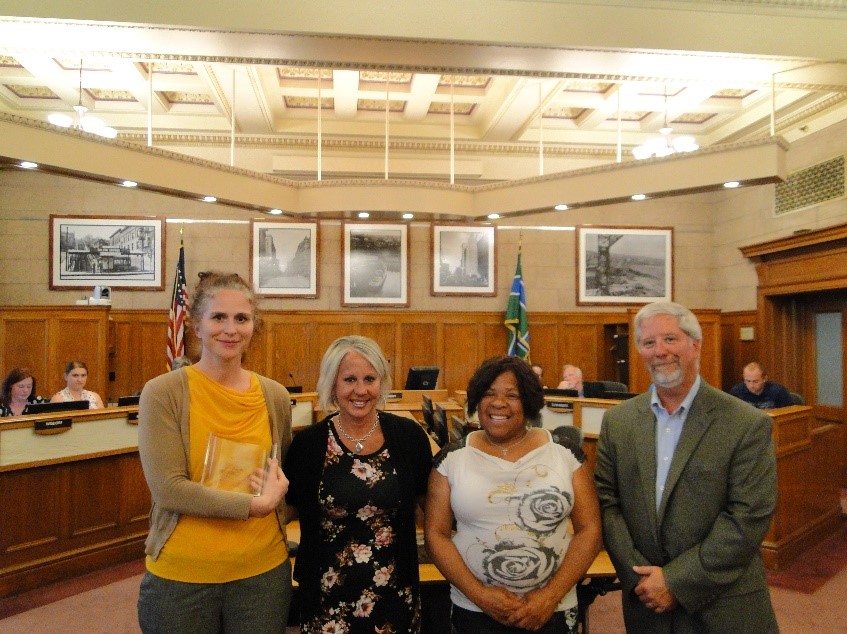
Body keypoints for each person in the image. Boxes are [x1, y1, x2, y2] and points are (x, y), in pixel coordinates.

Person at [594, 301, 778, 633]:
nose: (659, 351)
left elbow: (747, 517)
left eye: (670, 339)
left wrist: (676, 582)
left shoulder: (745, 423)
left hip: (723, 604)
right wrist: (639, 578)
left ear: (695, 344)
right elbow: (607, 502)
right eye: (649, 343)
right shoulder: (617, 421)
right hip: (646, 601)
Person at [136, 271, 293, 633]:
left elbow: (277, 474)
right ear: (196, 326)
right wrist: (253, 507)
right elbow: (168, 489)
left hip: (263, 575)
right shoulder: (164, 393)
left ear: (255, 326)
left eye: (242, 318)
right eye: (218, 317)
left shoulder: (275, 397)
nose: (231, 329)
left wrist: (274, 492)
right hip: (182, 578)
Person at [425, 355, 602, 634]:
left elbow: (590, 529)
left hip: (551, 611)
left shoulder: (565, 454)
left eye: (512, 395)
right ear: (476, 401)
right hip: (473, 609)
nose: (498, 403)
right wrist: (481, 596)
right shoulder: (452, 459)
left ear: (529, 402)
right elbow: (436, 533)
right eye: (489, 394)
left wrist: (549, 597)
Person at [283, 335, 433, 633]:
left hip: (394, 595)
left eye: (370, 379)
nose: (361, 390)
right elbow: (286, 512)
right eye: (349, 379)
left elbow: (431, 508)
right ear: (332, 385)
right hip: (327, 597)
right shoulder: (308, 444)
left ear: (382, 382)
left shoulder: (409, 437)